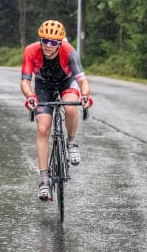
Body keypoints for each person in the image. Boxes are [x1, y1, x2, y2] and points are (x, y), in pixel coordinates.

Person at [21, 20, 93, 201]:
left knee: (70, 108)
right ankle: (44, 181)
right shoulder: (31, 51)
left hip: (66, 82)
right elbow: (25, 81)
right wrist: (30, 96)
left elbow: (82, 81)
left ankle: (71, 143)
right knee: (43, 128)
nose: (47, 45)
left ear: (60, 43)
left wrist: (84, 96)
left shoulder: (69, 51)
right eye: (44, 40)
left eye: (53, 42)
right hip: (43, 85)